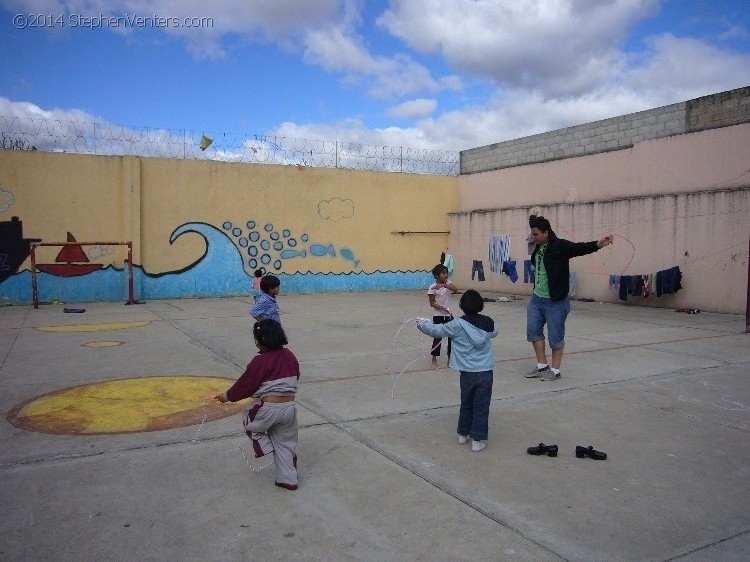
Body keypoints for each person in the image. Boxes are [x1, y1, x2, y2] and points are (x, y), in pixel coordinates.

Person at [213, 319, 300, 490]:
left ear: (261, 341)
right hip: (290, 409)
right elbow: (295, 375)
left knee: (249, 420)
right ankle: (288, 479)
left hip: (269, 409)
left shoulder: (260, 361)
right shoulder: (290, 355)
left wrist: (226, 396)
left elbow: (245, 386)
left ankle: (264, 446)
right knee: (285, 444)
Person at [525, 214, 613, 381]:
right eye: (532, 234)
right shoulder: (537, 247)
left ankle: (555, 370)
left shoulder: (560, 246)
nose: (533, 237)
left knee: (555, 336)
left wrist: (598, 244)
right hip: (537, 299)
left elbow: (580, 248)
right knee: (533, 331)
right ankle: (542, 366)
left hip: (556, 300)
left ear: (546, 232)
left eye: (536, 234)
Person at [417, 290, 498, 452]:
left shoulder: (456, 324)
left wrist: (421, 324)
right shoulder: (489, 322)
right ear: (481, 305)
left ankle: (463, 434)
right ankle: (477, 440)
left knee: (467, 402)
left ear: (461, 306)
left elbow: (436, 331)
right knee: (481, 406)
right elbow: (495, 331)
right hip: (485, 372)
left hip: (467, 372)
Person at [427, 263, 461, 369]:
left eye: (446, 273)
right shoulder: (432, 287)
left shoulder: (448, 284)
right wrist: (441, 307)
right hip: (438, 316)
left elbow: (455, 289)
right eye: (443, 273)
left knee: (451, 337)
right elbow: (432, 303)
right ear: (437, 276)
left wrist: (444, 285)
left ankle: (450, 358)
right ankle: (434, 359)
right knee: (438, 338)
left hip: (449, 315)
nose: (446, 275)